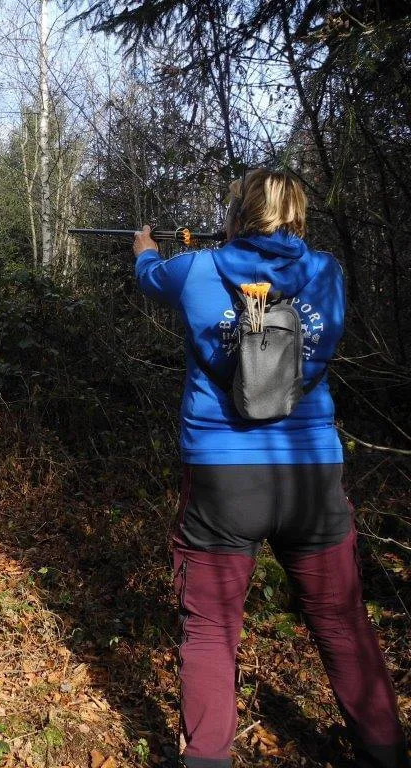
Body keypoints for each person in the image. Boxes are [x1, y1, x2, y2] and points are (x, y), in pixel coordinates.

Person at [132, 169, 409, 768]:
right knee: (341, 619)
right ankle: (387, 755)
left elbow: (151, 277)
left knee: (211, 630)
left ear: (237, 214)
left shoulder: (196, 269)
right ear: (297, 216)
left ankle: (207, 758)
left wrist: (146, 248)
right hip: (310, 472)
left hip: (222, 476)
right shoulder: (327, 273)